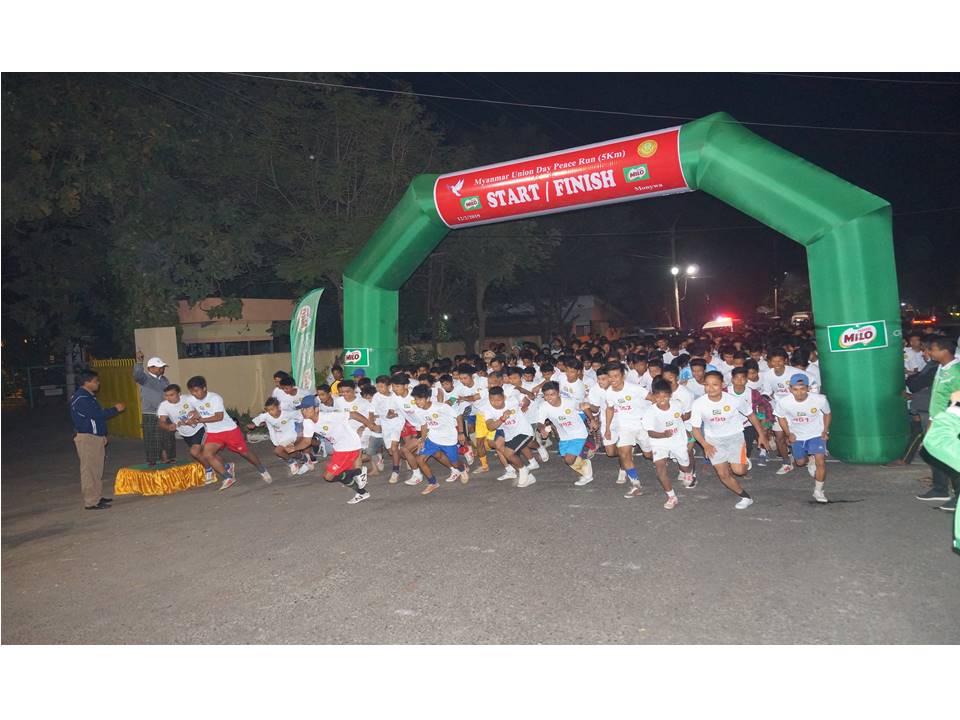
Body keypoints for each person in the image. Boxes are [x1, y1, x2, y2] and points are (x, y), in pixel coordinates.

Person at [689, 371, 769, 510]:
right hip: (713, 440)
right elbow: (695, 429)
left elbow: (751, 415)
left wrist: (761, 435)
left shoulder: (734, 400)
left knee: (739, 471)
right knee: (723, 474)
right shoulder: (698, 404)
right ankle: (746, 497)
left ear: (722, 385)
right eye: (707, 385)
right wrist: (705, 444)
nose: (710, 388)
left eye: (715, 384)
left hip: (735, 438)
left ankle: (743, 461)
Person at [287, 395, 379, 505]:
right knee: (338, 475)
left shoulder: (329, 416)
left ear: (316, 409)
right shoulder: (307, 422)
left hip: (349, 445)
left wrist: (371, 425)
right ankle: (362, 492)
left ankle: (359, 472)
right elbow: (306, 442)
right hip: (339, 447)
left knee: (329, 476)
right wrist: (294, 448)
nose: (303, 411)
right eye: (302, 409)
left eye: (307, 408)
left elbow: (353, 414)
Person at [184, 375, 272, 490]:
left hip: (229, 430)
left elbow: (218, 417)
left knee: (244, 453)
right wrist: (192, 416)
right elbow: (197, 410)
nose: (194, 394)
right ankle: (228, 477)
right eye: (192, 392)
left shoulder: (215, 398)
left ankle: (262, 469)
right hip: (213, 432)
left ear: (204, 388)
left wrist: (199, 420)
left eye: (196, 391)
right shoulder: (192, 399)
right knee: (207, 454)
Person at [69, 370, 126, 510]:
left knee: (96, 469)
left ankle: (96, 496)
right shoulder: (82, 398)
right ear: (87, 382)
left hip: (94, 437)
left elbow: (95, 419)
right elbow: (97, 415)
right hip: (88, 438)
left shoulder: (88, 396)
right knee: (89, 471)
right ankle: (91, 501)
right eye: (95, 381)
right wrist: (115, 409)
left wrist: (101, 435)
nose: (98, 383)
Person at [916, 335, 960, 510]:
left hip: (952, 421)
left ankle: (957, 497)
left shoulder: (957, 371)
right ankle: (940, 489)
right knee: (935, 454)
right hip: (937, 418)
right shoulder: (941, 368)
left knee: (953, 458)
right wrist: (932, 422)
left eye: (932, 349)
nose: (928, 352)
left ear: (945, 350)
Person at [774, 373, 833, 503]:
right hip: (797, 435)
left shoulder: (820, 399)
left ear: (808, 388)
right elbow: (781, 417)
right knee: (800, 462)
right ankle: (810, 459)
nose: (799, 392)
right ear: (790, 389)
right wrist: (788, 433)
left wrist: (825, 430)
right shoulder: (783, 402)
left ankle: (818, 491)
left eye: (802, 389)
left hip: (816, 433)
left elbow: (827, 413)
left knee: (821, 462)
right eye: (795, 389)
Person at [409, 384, 470, 495]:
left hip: (449, 438)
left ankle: (462, 469)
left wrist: (461, 433)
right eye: (416, 399)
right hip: (433, 438)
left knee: (455, 463)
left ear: (428, 398)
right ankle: (433, 483)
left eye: (420, 399)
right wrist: (422, 440)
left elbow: (458, 416)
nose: (417, 402)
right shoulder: (419, 411)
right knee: (420, 459)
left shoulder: (441, 407)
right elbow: (424, 425)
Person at [604, 362, 653, 498]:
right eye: (610, 376)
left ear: (623, 376)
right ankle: (635, 484)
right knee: (624, 453)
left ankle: (662, 457)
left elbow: (653, 399)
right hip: (625, 427)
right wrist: (607, 428)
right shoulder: (609, 392)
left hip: (642, 425)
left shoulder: (635, 389)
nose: (613, 379)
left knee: (648, 454)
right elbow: (610, 409)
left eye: (616, 376)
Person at [641, 378, 692, 509]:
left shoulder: (677, 405)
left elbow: (682, 418)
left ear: (670, 395)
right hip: (659, 442)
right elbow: (651, 433)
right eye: (658, 396)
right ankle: (671, 496)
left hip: (677, 440)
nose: (661, 399)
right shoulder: (650, 412)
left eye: (665, 396)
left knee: (685, 465)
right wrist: (663, 435)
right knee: (660, 469)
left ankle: (688, 472)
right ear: (653, 396)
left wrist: (687, 432)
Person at [538, 381, 593, 485]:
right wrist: (542, 429)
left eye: (552, 394)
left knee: (569, 460)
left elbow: (584, 406)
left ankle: (587, 474)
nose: (549, 398)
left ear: (558, 393)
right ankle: (585, 467)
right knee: (566, 459)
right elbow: (540, 422)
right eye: (546, 395)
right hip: (564, 436)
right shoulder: (543, 406)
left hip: (578, 433)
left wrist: (592, 419)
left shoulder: (569, 402)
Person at [157, 384, 215, 483]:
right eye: (166, 395)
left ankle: (209, 470)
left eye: (171, 395)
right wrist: (168, 426)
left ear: (179, 394)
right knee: (202, 454)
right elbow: (161, 422)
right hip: (185, 433)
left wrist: (195, 414)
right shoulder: (164, 405)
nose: (168, 398)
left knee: (194, 452)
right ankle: (225, 466)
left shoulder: (189, 399)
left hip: (199, 429)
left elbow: (202, 408)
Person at [484, 386, 539, 488]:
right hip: (510, 435)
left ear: (504, 397)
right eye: (492, 400)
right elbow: (490, 427)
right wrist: (502, 418)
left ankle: (524, 470)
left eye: (498, 400)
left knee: (508, 453)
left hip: (524, 431)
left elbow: (526, 398)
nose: (495, 403)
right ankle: (529, 476)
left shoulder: (512, 400)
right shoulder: (487, 410)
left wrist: (524, 405)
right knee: (510, 458)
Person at [133, 350, 175, 466]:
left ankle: (167, 458)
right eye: (159, 367)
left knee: (167, 437)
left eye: (163, 367)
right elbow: (137, 375)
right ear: (150, 368)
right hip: (150, 413)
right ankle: (152, 461)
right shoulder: (145, 378)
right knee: (152, 439)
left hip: (165, 413)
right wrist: (139, 362)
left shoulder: (164, 379)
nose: (162, 369)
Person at [248, 397, 309, 476]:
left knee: (278, 451)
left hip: (290, 436)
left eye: (272, 409)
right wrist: (254, 425)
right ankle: (304, 458)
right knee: (291, 453)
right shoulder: (266, 415)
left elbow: (300, 416)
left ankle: (292, 463)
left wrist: (301, 430)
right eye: (268, 410)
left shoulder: (287, 414)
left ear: (278, 407)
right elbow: (259, 419)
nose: (270, 412)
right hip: (279, 438)